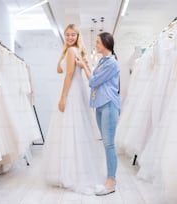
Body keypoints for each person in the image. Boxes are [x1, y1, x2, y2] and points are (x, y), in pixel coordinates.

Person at [40, 24, 104, 195]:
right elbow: (63, 70)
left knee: (69, 130)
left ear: (77, 36)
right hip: (78, 92)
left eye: (72, 35)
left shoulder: (71, 52)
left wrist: (62, 97)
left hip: (72, 93)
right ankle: (75, 170)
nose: (69, 37)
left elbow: (68, 75)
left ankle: (69, 173)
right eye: (67, 34)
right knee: (76, 131)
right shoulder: (74, 51)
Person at [76, 32, 121, 196]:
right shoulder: (102, 61)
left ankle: (111, 182)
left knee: (109, 144)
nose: (95, 45)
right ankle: (110, 177)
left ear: (105, 43)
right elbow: (94, 80)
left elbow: (93, 82)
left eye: (97, 42)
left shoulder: (112, 63)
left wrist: (83, 66)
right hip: (100, 105)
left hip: (109, 104)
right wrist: (86, 67)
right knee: (106, 144)